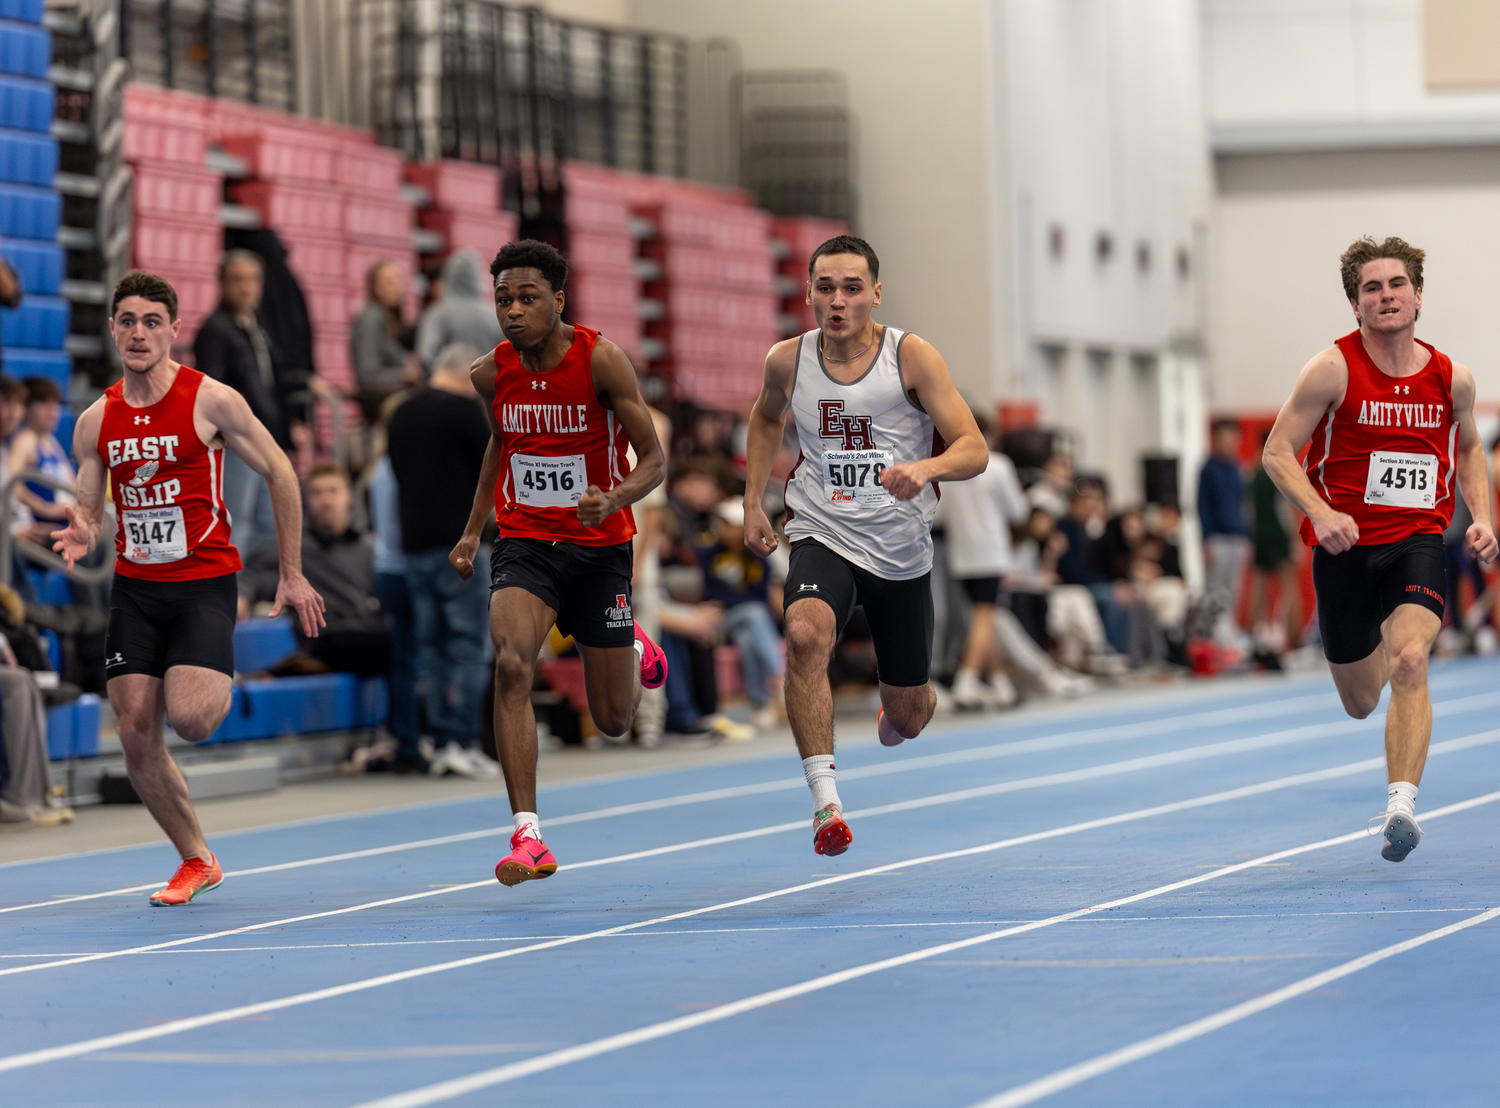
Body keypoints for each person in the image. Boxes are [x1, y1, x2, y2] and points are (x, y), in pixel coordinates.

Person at [51, 270, 325, 905]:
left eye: (152, 322)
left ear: (174, 330)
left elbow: (282, 471)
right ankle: (196, 858)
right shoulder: (97, 420)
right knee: (136, 732)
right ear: (113, 329)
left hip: (204, 583)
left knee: (194, 720)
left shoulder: (212, 401)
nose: (139, 333)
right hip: (137, 590)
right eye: (128, 321)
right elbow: (90, 508)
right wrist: (84, 531)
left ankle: (215, 675)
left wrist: (290, 570)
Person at [742, 234, 988, 856]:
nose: (838, 300)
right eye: (825, 287)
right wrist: (751, 501)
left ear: (876, 294)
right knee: (802, 634)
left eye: (852, 288)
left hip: (900, 548)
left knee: (906, 717)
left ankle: (910, 700)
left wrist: (926, 471)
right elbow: (767, 416)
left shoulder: (911, 358)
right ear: (807, 293)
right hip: (823, 527)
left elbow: (973, 448)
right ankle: (826, 803)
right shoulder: (786, 360)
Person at [1263, 236, 1497, 863]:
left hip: (1417, 540)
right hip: (1343, 548)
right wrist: (1320, 512)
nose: (1386, 296)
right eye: (1372, 288)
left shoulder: (1453, 377)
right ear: (1355, 303)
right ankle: (1369, 693)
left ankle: (1401, 806)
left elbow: (1470, 449)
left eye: (1397, 284)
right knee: (1362, 700)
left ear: (1418, 295)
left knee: (1412, 662)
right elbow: (1276, 451)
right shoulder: (1331, 369)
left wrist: (1482, 517)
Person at [448, 239, 668, 886]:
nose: (512, 311)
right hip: (525, 543)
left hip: (599, 548)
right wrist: (471, 531)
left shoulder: (602, 360)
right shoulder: (490, 372)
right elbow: (501, 443)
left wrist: (616, 497)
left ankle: (627, 644)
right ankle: (528, 833)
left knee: (613, 719)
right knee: (512, 662)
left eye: (527, 298)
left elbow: (654, 459)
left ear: (559, 299)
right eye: (503, 299)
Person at [387, 343, 497, 782]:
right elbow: (491, 474)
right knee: (469, 647)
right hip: (462, 548)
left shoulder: (401, 413)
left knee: (430, 650)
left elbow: (395, 471)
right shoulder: (467, 413)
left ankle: (437, 739)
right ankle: (463, 742)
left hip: (414, 547)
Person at [194, 249, 318, 559]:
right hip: (238, 442)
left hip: (265, 437)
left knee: (268, 522)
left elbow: (269, 382)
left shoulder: (256, 326)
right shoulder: (215, 330)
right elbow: (212, 389)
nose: (246, 287)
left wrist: (290, 418)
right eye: (237, 280)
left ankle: (249, 586)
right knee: (237, 520)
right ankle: (229, 592)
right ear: (222, 284)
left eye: (252, 280)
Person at [239, 464, 389, 678]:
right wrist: (242, 597)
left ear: (348, 496)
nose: (325, 500)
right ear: (307, 500)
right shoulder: (292, 549)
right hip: (326, 637)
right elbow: (255, 577)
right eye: (317, 493)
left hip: (368, 632)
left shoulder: (368, 547)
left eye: (332, 491)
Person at [934, 406, 1031, 709]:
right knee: (984, 617)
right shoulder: (998, 465)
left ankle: (1000, 682)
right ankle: (967, 679)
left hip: (961, 555)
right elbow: (1019, 510)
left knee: (981, 616)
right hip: (989, 553)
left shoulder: (948, 466)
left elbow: (939, 515)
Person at [1248, 428, 1302, 658]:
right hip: (1278, 534)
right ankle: (1293, 638)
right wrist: (1293, 537)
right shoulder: (1276, 472)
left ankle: (1258, 636)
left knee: (1259, 588)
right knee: (1290, 586)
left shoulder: (1252, 475)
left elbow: (1248, 511)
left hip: (1258, 534)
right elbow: (1284, 510)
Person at [1198, 419, 1252, 637]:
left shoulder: (1239, 469)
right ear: (1216, 439)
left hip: (1237, 537)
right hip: (1217, 538)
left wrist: (1248, 537)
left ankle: (1229, 629)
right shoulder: (1207, 470)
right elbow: (1202, 506)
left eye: (1232, 437)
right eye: (1224, 437)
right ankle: (1212, 633)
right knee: (1215, 588)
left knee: (1234, 588)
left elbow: (1245, 506)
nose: (1228, 441)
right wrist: (1206, 538)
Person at [351, 260, 420, 424]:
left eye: (397, 280)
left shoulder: (388, 318)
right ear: (374, 287)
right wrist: (404, 375)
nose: (394, 287)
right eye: (387, 282)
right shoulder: (371, 319)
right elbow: (367, 373)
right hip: (380, 398)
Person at [415, 249, 505, 371]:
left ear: (449, 275)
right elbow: (507, 356)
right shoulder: (495, 316)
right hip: (488, 386)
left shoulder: (437, 313)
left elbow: (426, 354)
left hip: (448, 386)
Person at [9, 376, 77, 526]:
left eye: (55, 406)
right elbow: (13, 485)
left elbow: (71, 483)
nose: (52, 412)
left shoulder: (50, 441)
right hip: (43, 525)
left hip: (65, 519)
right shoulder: (24, 440)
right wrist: (45, 509)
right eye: (45, 406)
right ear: (26, 408)